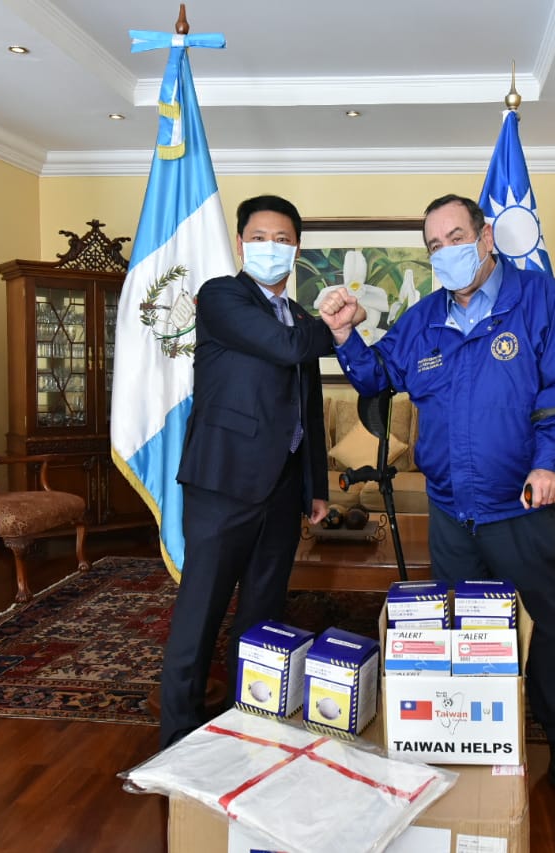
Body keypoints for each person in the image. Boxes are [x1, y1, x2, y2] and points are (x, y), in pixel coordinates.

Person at [319, 194, 555, 791]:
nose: (446, 251)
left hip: (522, 504)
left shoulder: (543, 301)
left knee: (544, 623)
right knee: (465, 630)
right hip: (451, 509)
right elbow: (376, 376)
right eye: (434, 245)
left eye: (455, 237)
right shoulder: (422, 319)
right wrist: (346, 336)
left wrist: (550, 464)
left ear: (487, 236)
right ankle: (474, 730)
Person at [158, 194, 333, 748]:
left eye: (282, 240)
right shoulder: (221, 297)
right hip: (221, 483)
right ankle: (177, 740)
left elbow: (308, 408)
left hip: (281, 490)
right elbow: (283, 348)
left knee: (263, 618)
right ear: (240, 243)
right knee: (200, 615)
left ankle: (249, 727)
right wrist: (336, 326)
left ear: (296, 248)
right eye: (259, 238)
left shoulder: (300, 318)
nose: (271, 248)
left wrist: (316, 489)